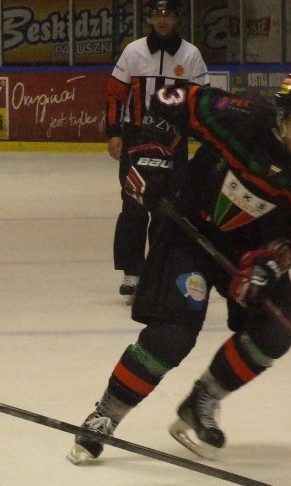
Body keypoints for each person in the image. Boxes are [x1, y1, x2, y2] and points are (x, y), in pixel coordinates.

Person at [68, 73, 291, 463]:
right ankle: (105, 415)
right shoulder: (243, 117)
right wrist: (151, 154)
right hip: (189, 232)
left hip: (247, 253)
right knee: (172, 334)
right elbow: (170, 96)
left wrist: (273, 261)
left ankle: (202, 400)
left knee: (277, 329)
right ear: (281, 119)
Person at [106, 0, 208, 304]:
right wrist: (113, 133)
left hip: (174, 143)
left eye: (168, 15)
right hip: (135, 140)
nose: (162, 20)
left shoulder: (191, 55)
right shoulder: (133, 52)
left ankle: (158, 271)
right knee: (133, 203)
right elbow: (114, 95)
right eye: (157, 15)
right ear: (150, 18)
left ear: (177, 18)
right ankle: (132, 272)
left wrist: (200, 137)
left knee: (168, 210)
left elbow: (202, 100)